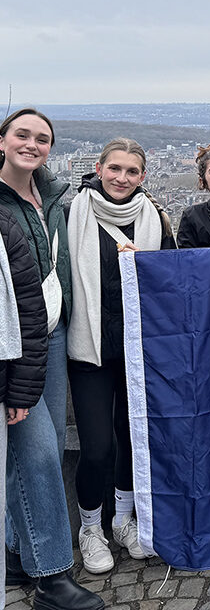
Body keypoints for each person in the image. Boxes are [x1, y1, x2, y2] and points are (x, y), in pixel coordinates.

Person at [0, 108, 103, 609]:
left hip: (54, 333)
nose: (32, 144)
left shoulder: (56, 195)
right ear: (2, 141)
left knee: (29, 452)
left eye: (42, 138)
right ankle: (52, 578)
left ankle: (19, 554)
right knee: (39, 453)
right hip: (12, 343)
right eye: (22, 134)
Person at [67, 138, 176, 574]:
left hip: (135, 347)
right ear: (98, 167)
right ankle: (90, 526)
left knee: (133, 441)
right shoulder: (73, 212)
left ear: (143, 177)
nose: (121, 178)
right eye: (115, 169)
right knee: (96, 447)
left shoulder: (155, 218)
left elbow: (172, 278)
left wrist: (145, 266)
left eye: (132, 172)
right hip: (88, 346)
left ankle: (124, 519)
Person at [0, 205, 50, 610]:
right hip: (22, 359)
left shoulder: (8, 219)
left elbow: (26, 303)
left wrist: (17, 387)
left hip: (23, 358)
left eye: (42, 137)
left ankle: (49, 572)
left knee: (39, 456)